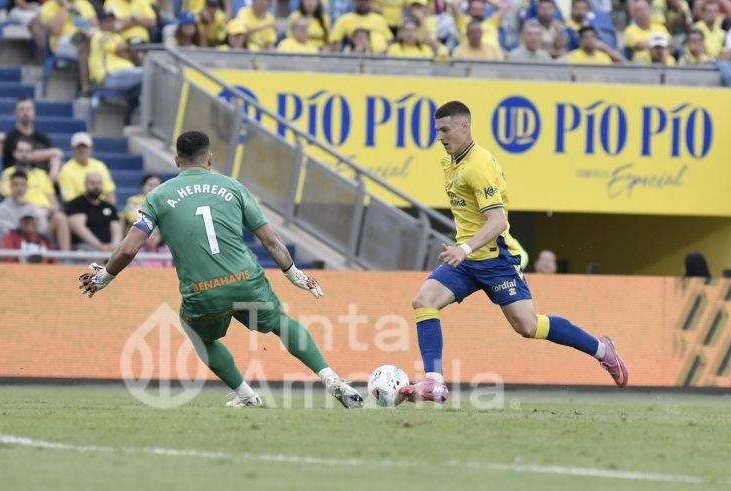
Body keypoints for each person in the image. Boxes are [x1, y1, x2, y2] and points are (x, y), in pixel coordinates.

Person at [78, 130, 364, 409]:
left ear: (177, 160)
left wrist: (104, 277)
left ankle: (246, 395)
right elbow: (271, 240)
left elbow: (129, 249)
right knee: (280, 322)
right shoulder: (233, 187)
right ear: (210, 158)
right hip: (245, 280)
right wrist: (294, 274)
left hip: (203, 290)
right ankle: (331, 378)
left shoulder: (157, 197)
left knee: (197, 332)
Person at [398, 101, 628, 403]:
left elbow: (498, 221)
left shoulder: (478, 166)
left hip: (495, 259)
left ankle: (602, 349)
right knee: (424, 301)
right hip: (467, 260)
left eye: (445, 129)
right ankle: (434, 381)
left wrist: (464, 248)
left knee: (528, 326)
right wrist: (464, 250)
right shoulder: (450, 161)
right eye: (437, 130)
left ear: (464, 127)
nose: (439, 137)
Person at [40, 0, 97, 96]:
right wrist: (65, 7)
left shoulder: (84, 4)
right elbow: (56, 29)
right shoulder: (48, 7)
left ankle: (97, 88)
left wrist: (89, 32)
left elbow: (96, 26)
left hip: (85, 38)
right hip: (63, 43)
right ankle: (86, 89)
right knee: (83, 45)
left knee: (92, 44)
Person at [1, 98, 63, 178]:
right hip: (17, 180)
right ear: (15, 113)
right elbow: (24, 157)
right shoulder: (11, 137)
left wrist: (54, 171)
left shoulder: (42, 138)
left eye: (28, 109)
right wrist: (52, 152)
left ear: (34, 112)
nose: (25, 112)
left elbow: (57, 155)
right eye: (22, 109)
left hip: (42, 181)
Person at [88, 11, 144, 98]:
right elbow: (119, 49)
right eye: (107, 21)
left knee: (148, 84)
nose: (111, 23)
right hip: (110, 77)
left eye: (112, 20)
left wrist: (127, 51)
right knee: (150, 73)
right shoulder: (99, 35)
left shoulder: (117, 37)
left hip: (126, 74)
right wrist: (126, 50)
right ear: (101, 23)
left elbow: (127, 54)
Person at [66, 172, 122, 251]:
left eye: (99, 183)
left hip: (108, 248)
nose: (96, 186)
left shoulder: (108, 206)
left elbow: (116, 228)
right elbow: (78, 228)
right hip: (83, 247)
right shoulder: (77, 204)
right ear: (85, 184)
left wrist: (114, 246)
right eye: (92, 183)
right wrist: (100, 246)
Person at [58, 132, 117, 205]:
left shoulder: (100, 166)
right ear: (72, 148)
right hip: (79, 208)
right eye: (78, 147)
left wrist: (109, 209)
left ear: (91, 148)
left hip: (101, 206)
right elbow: (69, 200)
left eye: (85, 147)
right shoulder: (66, 170)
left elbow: (110, 192)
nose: (82, 150)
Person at [0, 170, 50, 241]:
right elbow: (4, 233)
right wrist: (28, 229)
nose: (19, 188)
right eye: (16, 185)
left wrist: (28, 205)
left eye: (22, 185)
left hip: (30, 244)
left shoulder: (32, 207)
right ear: (10, 186)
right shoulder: (1, 208)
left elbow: (43, 228)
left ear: (27, 187)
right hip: (10, 246)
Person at [329, 0, 393, 53]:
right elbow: (333, 42)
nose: (363, 3)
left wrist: (386, 53)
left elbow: (389, 40)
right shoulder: (344, 19)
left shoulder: (379, 19)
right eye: (359, 1)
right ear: (353, 2)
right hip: (356, 57)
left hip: (381, 57)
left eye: (365, 1)